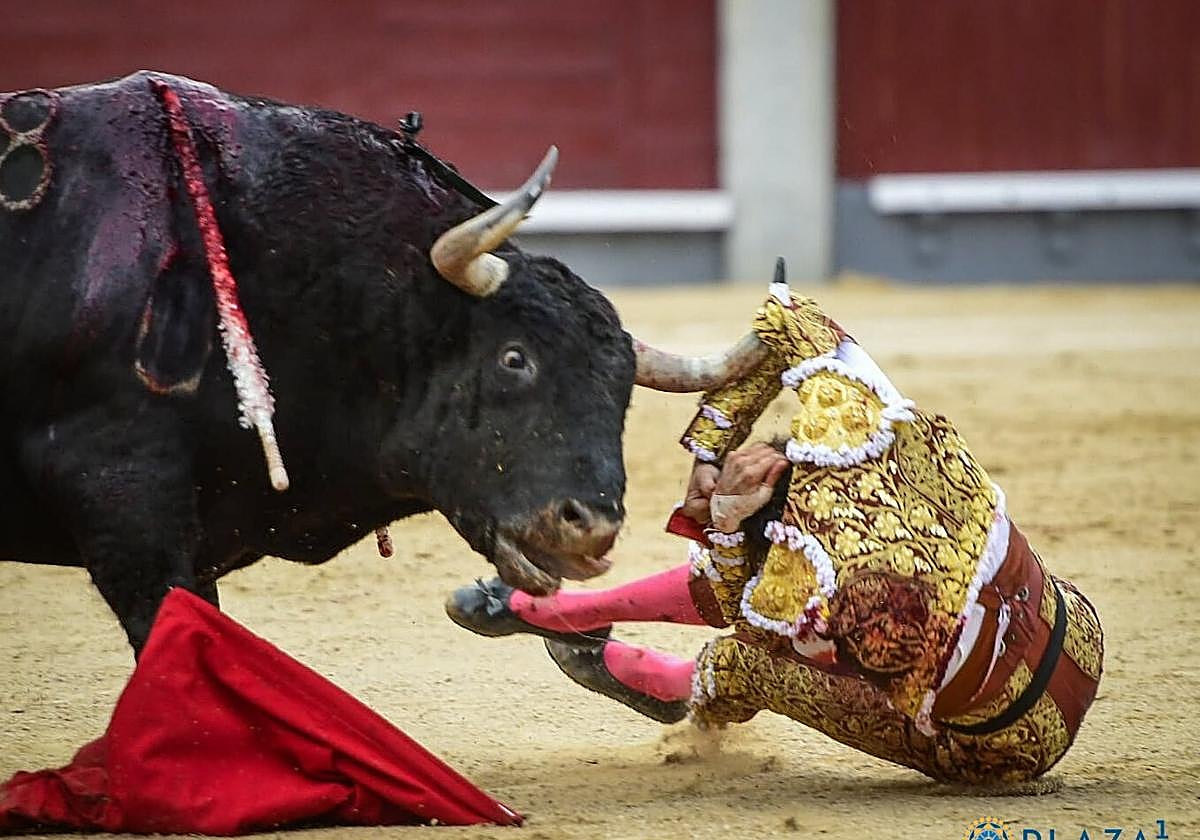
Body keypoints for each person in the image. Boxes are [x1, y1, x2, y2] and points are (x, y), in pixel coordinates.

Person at [446, 260, 1104, 785]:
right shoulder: (854, 431)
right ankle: (568, 614)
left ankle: (622, 659)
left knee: (741, 668)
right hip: (1077, 637)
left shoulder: (838, 596)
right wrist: (712, 454)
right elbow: (794, 318)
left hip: (1006, 751)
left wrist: (728, 523)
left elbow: (741, 618)